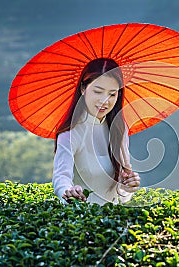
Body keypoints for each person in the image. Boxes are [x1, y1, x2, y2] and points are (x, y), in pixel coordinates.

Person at [52, 58, 140, 205]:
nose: (105, 101)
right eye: (98, 91)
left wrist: (128, 185)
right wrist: (68, 192)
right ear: (83, 89)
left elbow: (121, 193)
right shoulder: (71, 133)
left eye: (112, 94)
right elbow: (61, 177)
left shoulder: (119, 128)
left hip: (115, 221)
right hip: (83, 221)